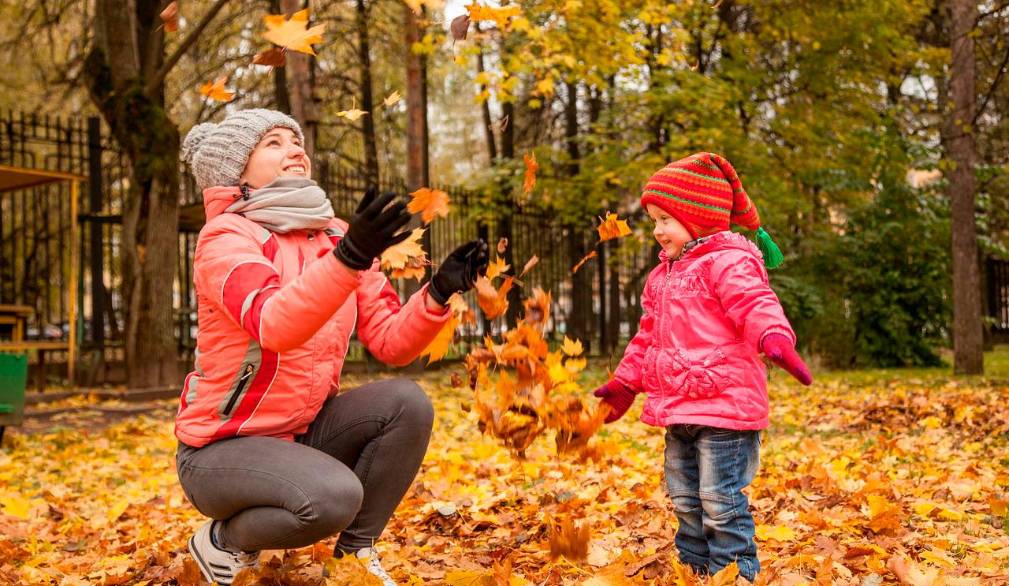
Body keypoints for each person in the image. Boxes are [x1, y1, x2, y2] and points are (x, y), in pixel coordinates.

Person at [174, 109, 488, 586]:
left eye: (296, 141)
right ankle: (224, 541)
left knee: (406, 403)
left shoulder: (335, 235)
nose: (294, 149)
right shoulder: (225, 238)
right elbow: (274, 322)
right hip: (221, 450)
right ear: (235, 172)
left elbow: (389, 341)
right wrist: (348, 260)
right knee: (332, 498)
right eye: (273, 143)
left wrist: (439, 292)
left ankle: (354, 557)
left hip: (301, 435)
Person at [592, 152, 812, 582]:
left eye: (664, 219)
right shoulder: (663, 276)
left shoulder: (729, 261)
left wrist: (775, 339)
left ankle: (734, 573)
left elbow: (755, 304)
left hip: (726, 410)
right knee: (685, 498)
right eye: (654, 219)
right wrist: (625, 382)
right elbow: (647, 337)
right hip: (679, 408)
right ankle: (693, 570)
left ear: (698, 217)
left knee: (719, 499)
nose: (656, 230)